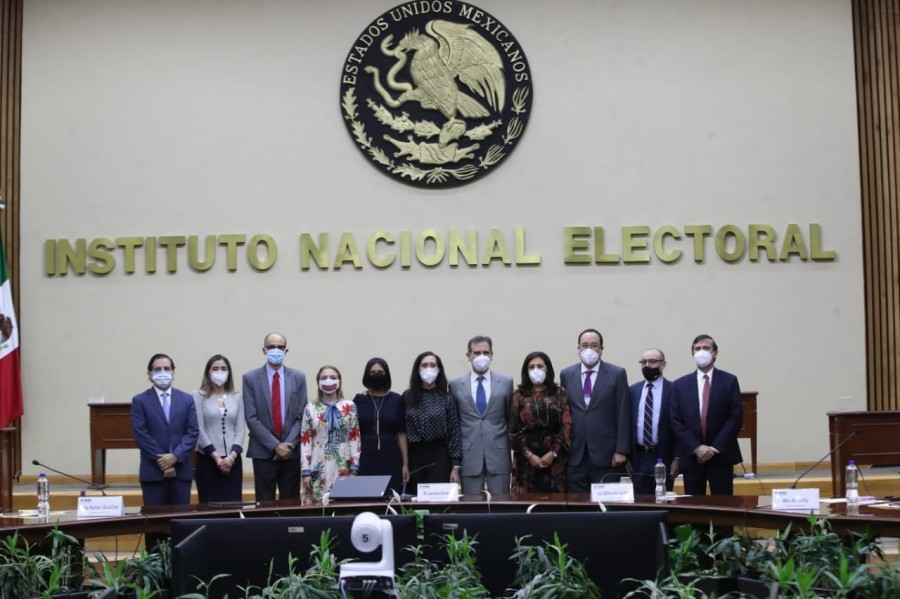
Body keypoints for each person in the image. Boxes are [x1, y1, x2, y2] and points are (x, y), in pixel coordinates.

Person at [670, 334, 743, 496]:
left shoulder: (729, 381)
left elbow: (735, 417)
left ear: (715, 353)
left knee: (724, 508)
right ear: (692, 354)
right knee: (695, 509)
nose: (701, 352)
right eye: (697, 349)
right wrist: (696, 447)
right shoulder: (680, 385)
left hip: (720, 455)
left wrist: (714, 448)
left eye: (706, 348)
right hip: (692, 456)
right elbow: (675, 420)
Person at [560, 328, 632, 492]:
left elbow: (623, 413)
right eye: (584, 346)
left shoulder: (617, 374)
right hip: (576, 455)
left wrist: (621, 450)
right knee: (577, 508)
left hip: (607, 457)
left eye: (594, 345)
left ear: (601, 349)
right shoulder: (566, 374)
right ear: (578, 348)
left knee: (605, 509)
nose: (589, 350)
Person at [242, 332, 308, 501]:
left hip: (290, 452)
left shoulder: (299, 378)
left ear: (286, 351)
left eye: (280, 347)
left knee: (291, 504)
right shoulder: (250, 378)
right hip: (263, 452)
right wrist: (275, 446)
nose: (276, 350)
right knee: (264, 505)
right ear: (264, 350)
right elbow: (251, 418)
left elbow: (302, 417)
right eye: (271, 347)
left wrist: (287, 446)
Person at [449, 335, 514, 496]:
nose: (481, 357)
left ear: (492, 354)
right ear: (468, 356)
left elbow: (510, 418)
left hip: (499, 454)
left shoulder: (506, 382)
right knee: (471, 508)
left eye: (486, 352)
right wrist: (455, 463)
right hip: (469, 455)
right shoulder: (455, 384)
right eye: (477, 353)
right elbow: (454, 423)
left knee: (501, 505)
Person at [130, 353, 198, 506]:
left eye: (166, 368)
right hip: (153, 473)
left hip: (181, 472)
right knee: (155, 525)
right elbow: (141, 435)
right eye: (158, 369)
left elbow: (192, 432)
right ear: (149, 374)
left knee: (181, 522)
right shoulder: (140, 401)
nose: (162, 372)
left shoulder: (186, 399)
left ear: (173, 371)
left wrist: (175, 456)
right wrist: (164, 461)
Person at [508, 351, 571, 493]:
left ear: (547, 368)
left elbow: (567, 425)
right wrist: (529, 455)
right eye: (531, 367)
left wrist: (553, 453)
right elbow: (512, 429)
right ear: (526, 371)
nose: (536, 370)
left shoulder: (560, 393)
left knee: (553, 505)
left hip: (555, 457)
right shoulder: (518, 395)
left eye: (540, 366)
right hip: (526, 459)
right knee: (525, 505)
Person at [403, 351, 462, 493]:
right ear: (418, 370)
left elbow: (454, 433)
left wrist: (456, 466)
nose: (428, 368)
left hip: (439, 455)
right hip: (414, 456)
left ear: (439, 369)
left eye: (432, 365)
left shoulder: (447, 398)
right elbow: (401, 430)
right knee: (415, 501)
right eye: (424, 365)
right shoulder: (407, 397)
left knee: (437, 500)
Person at [300, 365, 361, 501]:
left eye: (333, 377)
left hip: (342, 465)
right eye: (324, 378)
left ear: (339, 382)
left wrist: (354, 468)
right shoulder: (310, 408)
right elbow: (305, 441)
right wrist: (305, 472)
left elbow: (354, 438)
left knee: (341, 508)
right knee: (316, 510)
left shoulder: (350, 406)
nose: (328, 380)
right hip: (317, 466)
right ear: (318, 382)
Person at [192, 354, 246, 503]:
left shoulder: (237, 397)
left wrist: (231, 457)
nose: (219, 372)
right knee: (210, 506)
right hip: (207, 460)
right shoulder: (198, 396)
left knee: (233, 505)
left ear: (229, 373)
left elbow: (240, 429)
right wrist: (216, 457)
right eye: (215, 368)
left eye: (223, 369)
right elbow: (199, 428)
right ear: (208, 372)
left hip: (232, 461)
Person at [352, 357, 409, 495]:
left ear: (387, 374)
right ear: (367, 375)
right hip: (365, 456)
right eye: (373, 372)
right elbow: (352, 433)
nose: (377, 375)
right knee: (365, 497)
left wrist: (405, 464)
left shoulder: (397, 400)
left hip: (391, 456)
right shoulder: (359, 400)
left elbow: (401, 433)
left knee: (391, 497)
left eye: (380, 372)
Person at [628, 348, 676, 495]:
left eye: (652, 361)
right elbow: (626, 424)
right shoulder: (632, 390)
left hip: (664, 455)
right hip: (639, 456)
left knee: (663, 499)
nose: (647, 365)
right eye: (644, 362)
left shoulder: (674, 389)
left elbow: (680, 424)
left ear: (663, 364)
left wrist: (677, 457)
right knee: (640, 502)